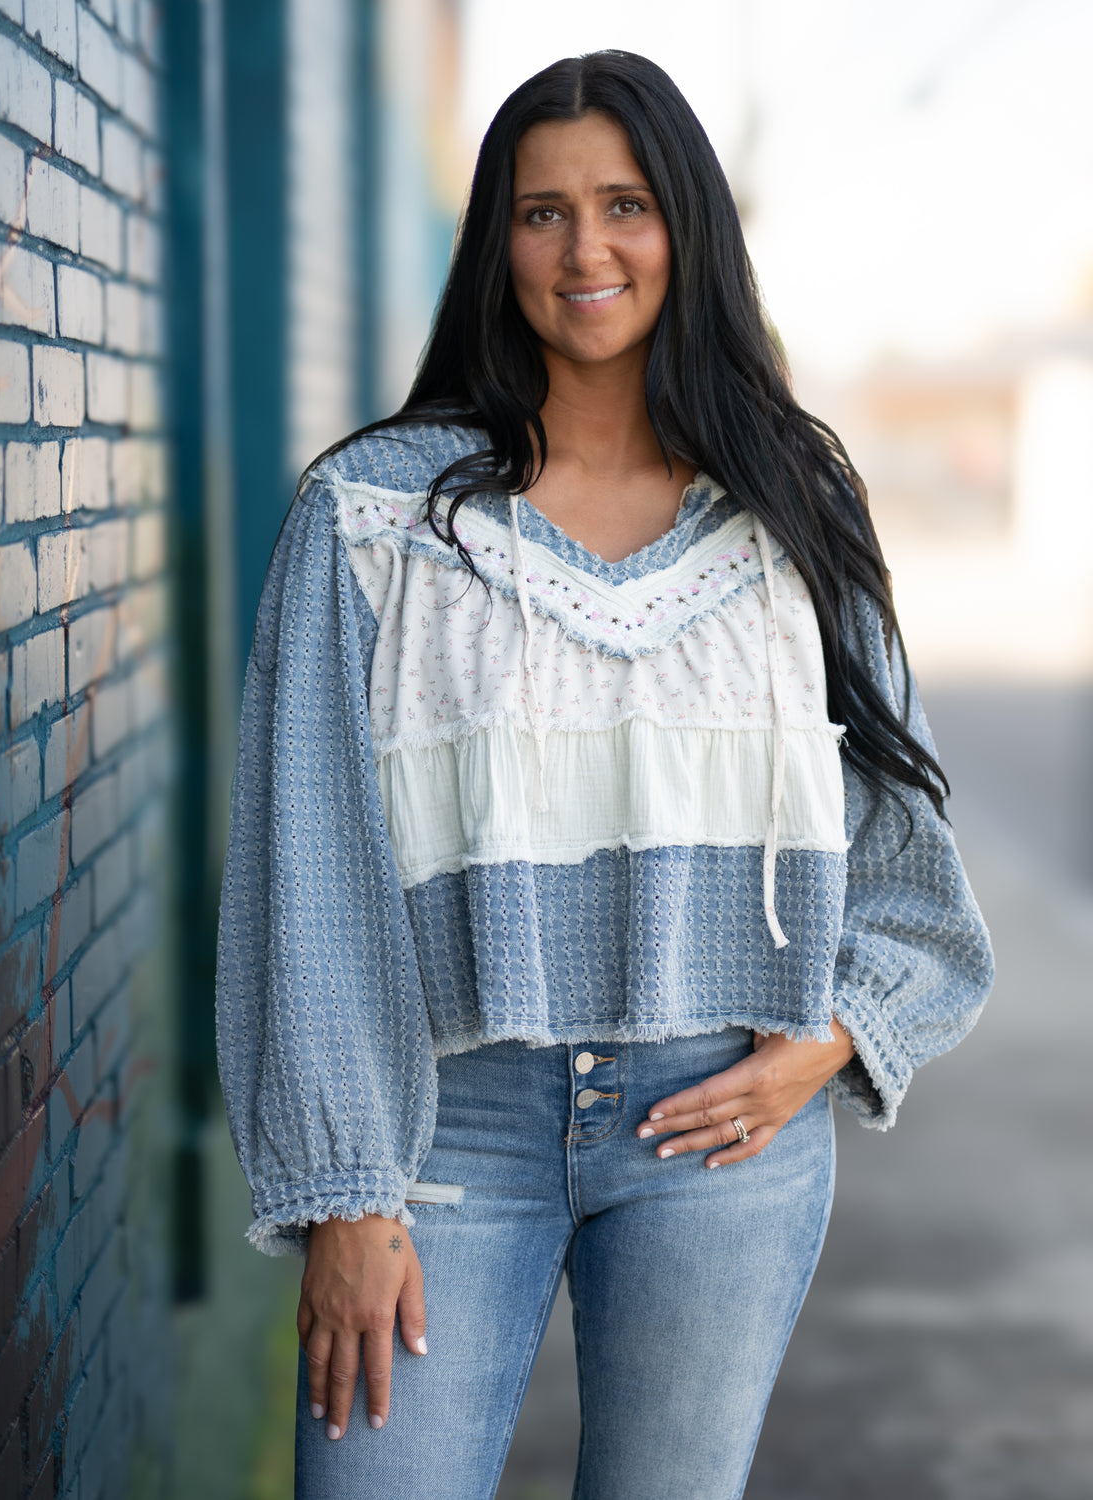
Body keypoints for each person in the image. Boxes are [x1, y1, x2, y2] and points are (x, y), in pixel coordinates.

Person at [215, 50, 994, 1500]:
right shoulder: (372, 519)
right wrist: (345, 1191)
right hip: (444, 1129)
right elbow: (305, 869)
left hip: (721, 1133)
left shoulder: (792, 511)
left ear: (685, 228)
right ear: (494, 243)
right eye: (542, 211)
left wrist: (834, 1038)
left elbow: (906, 853)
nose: (587, 250)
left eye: (626, 204)